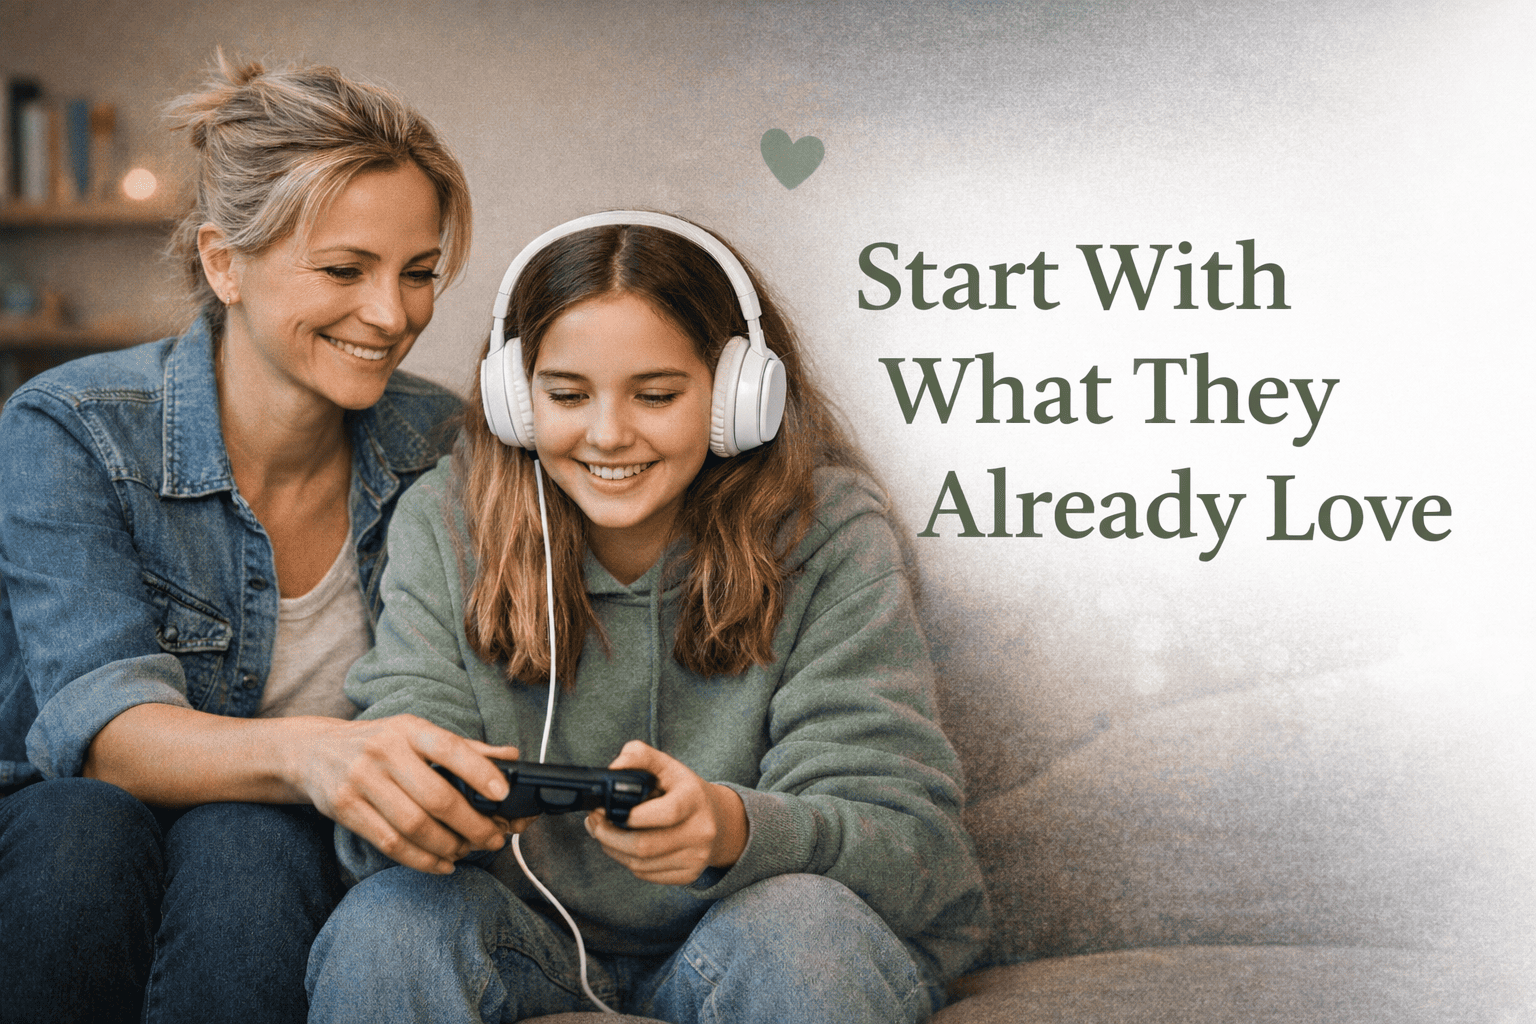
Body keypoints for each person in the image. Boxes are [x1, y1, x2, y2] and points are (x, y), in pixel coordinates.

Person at [304, 211, 989, 1023]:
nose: (607, 434)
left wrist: (734, 830)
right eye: (565, 395)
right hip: (529, 942)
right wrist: (414, 806)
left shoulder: (825, 532)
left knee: (800, 930)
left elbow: (912, 848)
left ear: (743, 395)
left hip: (756, 932)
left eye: (656, 395)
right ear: (515, 400)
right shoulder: (446, 523)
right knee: (392, 924)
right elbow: (390, 795)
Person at [0, 54, 523, 1024]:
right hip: (71, 835)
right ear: (222, 261)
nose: (393, 314)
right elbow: (104, 734)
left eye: (419, 274)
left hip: (274, 855)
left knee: (250, 838)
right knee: (86, 824)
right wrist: (320, 753)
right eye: (344, 269)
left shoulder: (444, 444)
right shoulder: (68, 425)